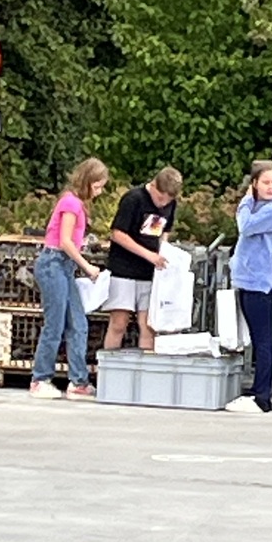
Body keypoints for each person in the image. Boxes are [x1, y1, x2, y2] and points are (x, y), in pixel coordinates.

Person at [29, 157, 109, 400]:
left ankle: (79, 381)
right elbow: (64, 241)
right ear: (87, 182)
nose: (100, 192)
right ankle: (40, 379)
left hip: (64, 266)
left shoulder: (76, 203)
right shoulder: (71, 203)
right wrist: (87, 267)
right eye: (97, 186)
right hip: (54, 263)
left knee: (78, 323)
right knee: (55, 324)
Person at [225, 160, 272, 414]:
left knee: (263, 340)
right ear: (255, 183)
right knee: (255, 339)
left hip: (261, 283)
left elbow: (246, 227)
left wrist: (244, 201)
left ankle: (262, 396)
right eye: (265, 182)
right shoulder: (258, 207)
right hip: (248, 279)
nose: (270, 187)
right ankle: (255, 390)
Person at [102, 166, 183, 351]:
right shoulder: (134, 199)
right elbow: (117, 234)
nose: (163, 204)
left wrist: (164, 250)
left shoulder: (170, 205)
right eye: (160, 198)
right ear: (153, 186)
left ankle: (146, 364)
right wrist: (148, 254)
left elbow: (165, 231)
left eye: (168, 201)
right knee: (119, 322)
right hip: (124, 270)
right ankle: (109, 363)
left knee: (148, 324)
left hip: (149, 273)